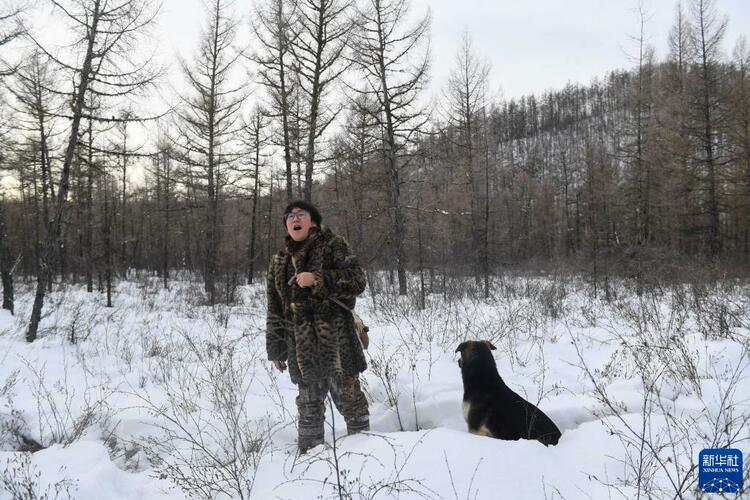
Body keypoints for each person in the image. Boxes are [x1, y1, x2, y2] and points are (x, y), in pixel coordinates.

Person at [266, 200, 370, 453]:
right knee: (309, 409)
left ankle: (366, 457)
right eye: (289, 216)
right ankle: (310, 464)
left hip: (337, 342)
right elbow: (275, 308)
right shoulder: (280, 261)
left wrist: (318, 280)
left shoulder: (334, 245)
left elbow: (357, 281)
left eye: (301, 214)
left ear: (313, 221)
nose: (294, 218)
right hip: (302, 349)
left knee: (351, 402)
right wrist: (276, 349)